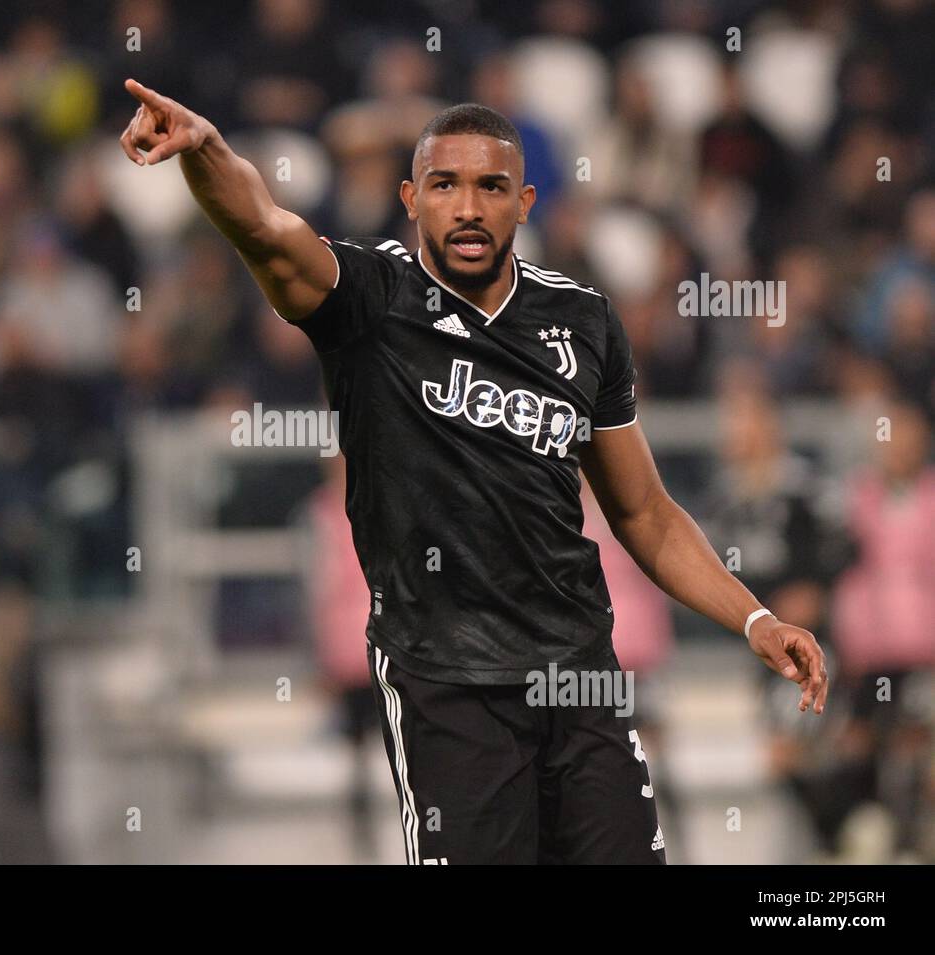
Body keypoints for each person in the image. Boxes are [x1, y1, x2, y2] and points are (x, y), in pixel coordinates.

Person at [119, 80, 829, 864]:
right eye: (444, 185)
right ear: (411, 199)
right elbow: (264, 226)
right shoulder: (369, 300)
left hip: (580, 677)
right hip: (445, 682)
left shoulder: (584, 321)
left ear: (524, 201)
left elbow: (646, 515)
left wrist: (756, 620)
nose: (467, 206)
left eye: (491, 186)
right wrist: (208, 150)